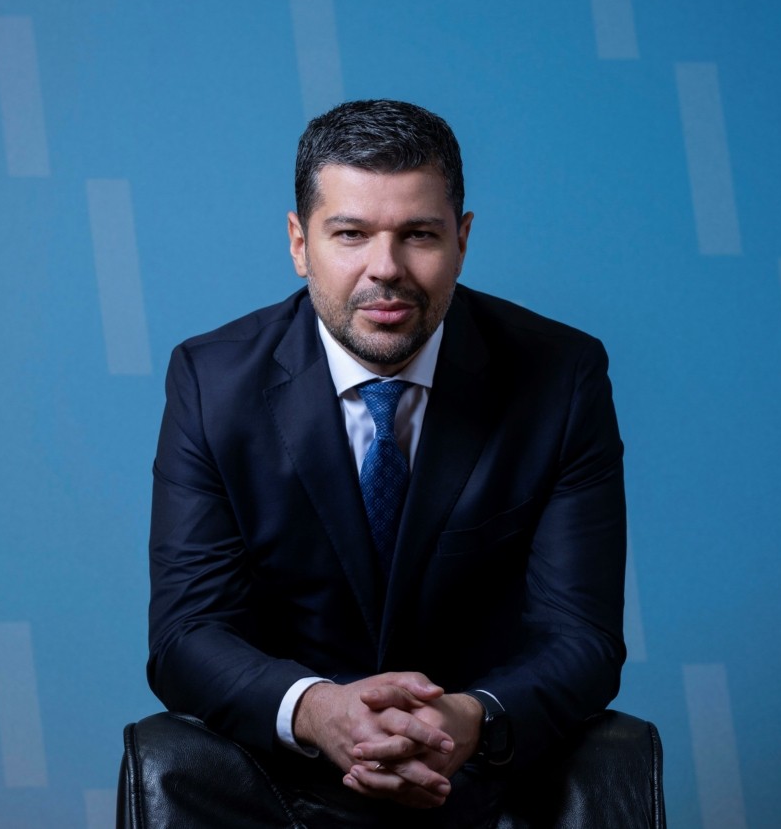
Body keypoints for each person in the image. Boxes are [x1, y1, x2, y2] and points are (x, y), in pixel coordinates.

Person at [145, 99, 627, 827]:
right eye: (351, 234)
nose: (386, 269)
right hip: (281, 774)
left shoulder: (562, 376)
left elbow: (582, 634)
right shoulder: (211, 382)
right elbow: (186, 633)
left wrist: (471, 717)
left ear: (462, 240)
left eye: (419, 235)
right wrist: (318, 710)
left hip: (486, 769)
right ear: (299, 243)